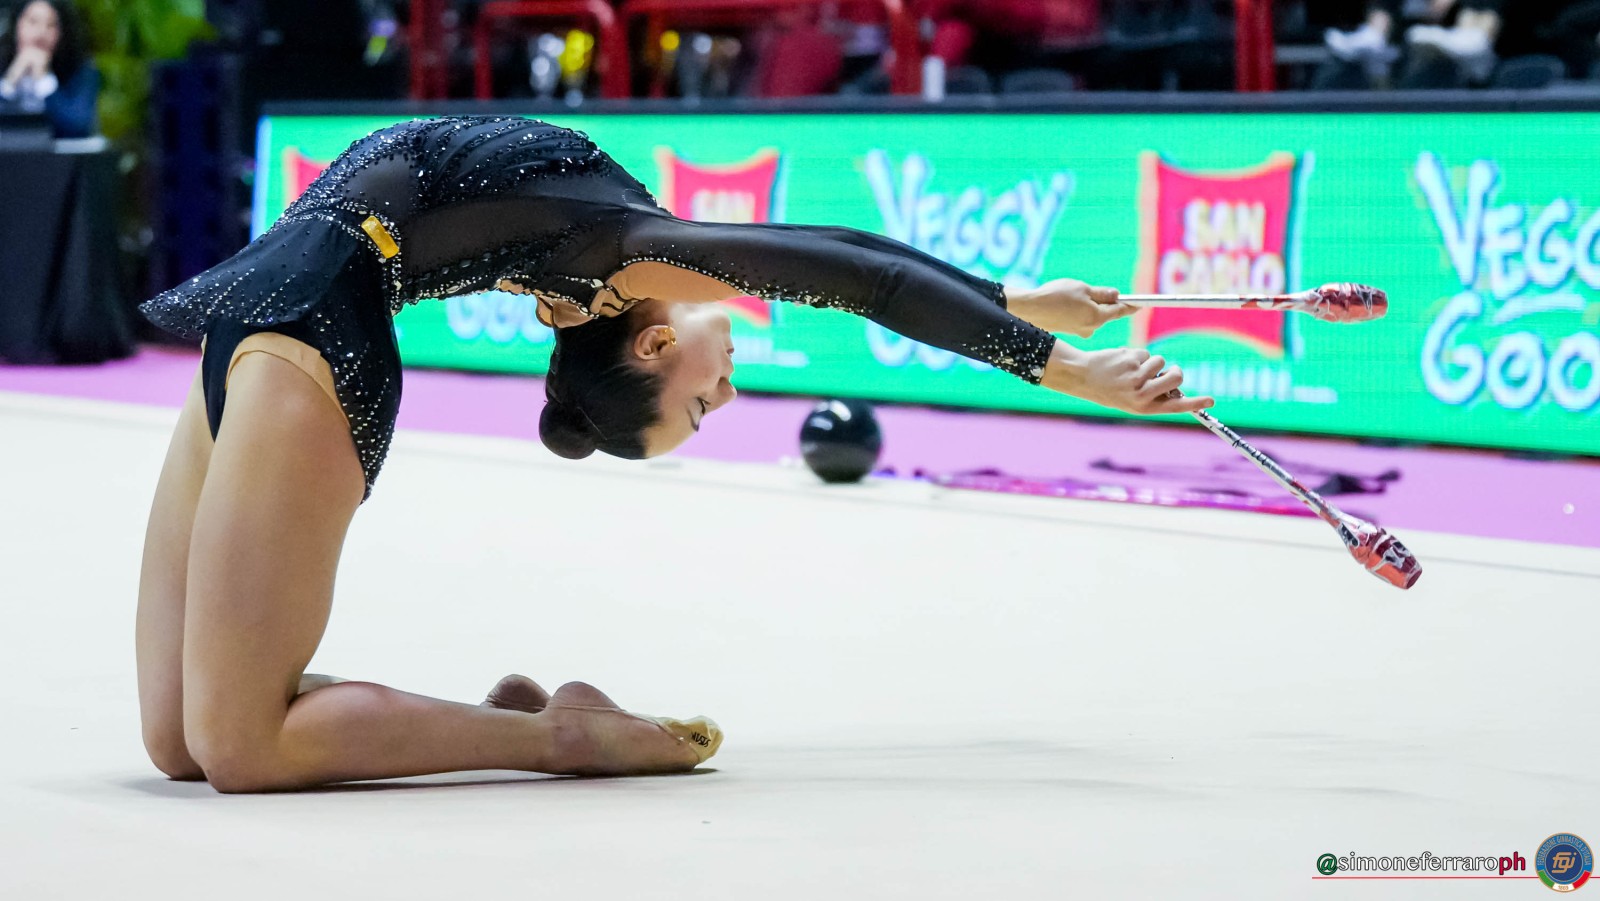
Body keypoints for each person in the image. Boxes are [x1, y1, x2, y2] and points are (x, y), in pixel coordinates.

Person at [137, 115, 1214, 793]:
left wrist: (1015, 304)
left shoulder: (608, 255)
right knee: (180, 742)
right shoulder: (619, 249)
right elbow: (853, 269)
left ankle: (554, 737)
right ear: (652, 344)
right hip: (282, 308)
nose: (729, 388)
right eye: (705, 404)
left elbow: (841, 260)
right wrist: (1055, 354)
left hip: (307, 330)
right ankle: (543, 729)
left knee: (233, 747)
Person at [0, 0, 98, 138]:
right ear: (16, 24)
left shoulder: (80, 70)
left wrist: (44, 79)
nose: (40, 34)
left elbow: (78, 127)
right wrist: (10, 81)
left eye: (51, 25)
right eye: (33, 22)